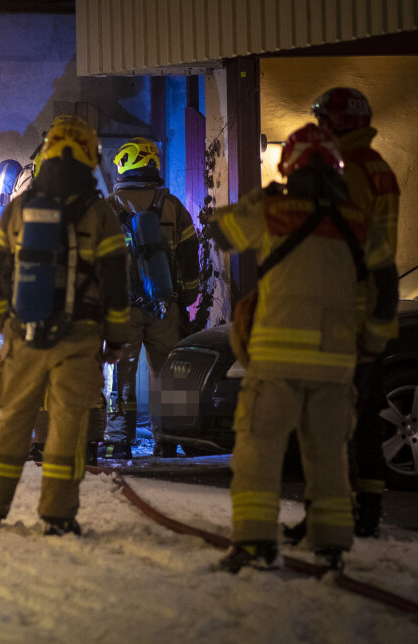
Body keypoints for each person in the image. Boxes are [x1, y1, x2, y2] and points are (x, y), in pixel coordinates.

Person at [209, 124, 397, 573]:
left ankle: (255, 544)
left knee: (259, 451)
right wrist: (371, 342)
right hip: (336, 363)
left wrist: (265, 194)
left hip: (275, 361)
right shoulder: (359, 221)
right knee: (328, 455)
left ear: (290, 168)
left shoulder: (274, 211)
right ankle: (331, 544)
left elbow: (220, 233)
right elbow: (385, 287)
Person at [0, 115, 130, 536]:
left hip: (24, 334)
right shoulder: (101, 212)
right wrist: (114, 337)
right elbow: (115, 279)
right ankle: (57, 516)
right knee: (68, 428)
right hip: (79, 338)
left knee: (11, 422)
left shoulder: (21, 206)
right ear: (91, 156)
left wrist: (4, 317)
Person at [312, 87, 401, 537]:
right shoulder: (380, 168)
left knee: (332, 421)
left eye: (323, 120)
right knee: (364, 421)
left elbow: (338, 244)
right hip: (372, 312)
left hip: (344, 313)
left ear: (337, 123)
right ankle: (366, 511)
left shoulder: (345, 172)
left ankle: (334, 515)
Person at [103, 138, 200, 458]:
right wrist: (185, 296)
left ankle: (119, 442)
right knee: (170, 374)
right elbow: (189, 257)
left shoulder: (109, 207)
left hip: (124, 310)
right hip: (164, 306)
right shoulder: (172, 206)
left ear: (125, 165)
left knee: (123, 376)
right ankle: (170, 438)